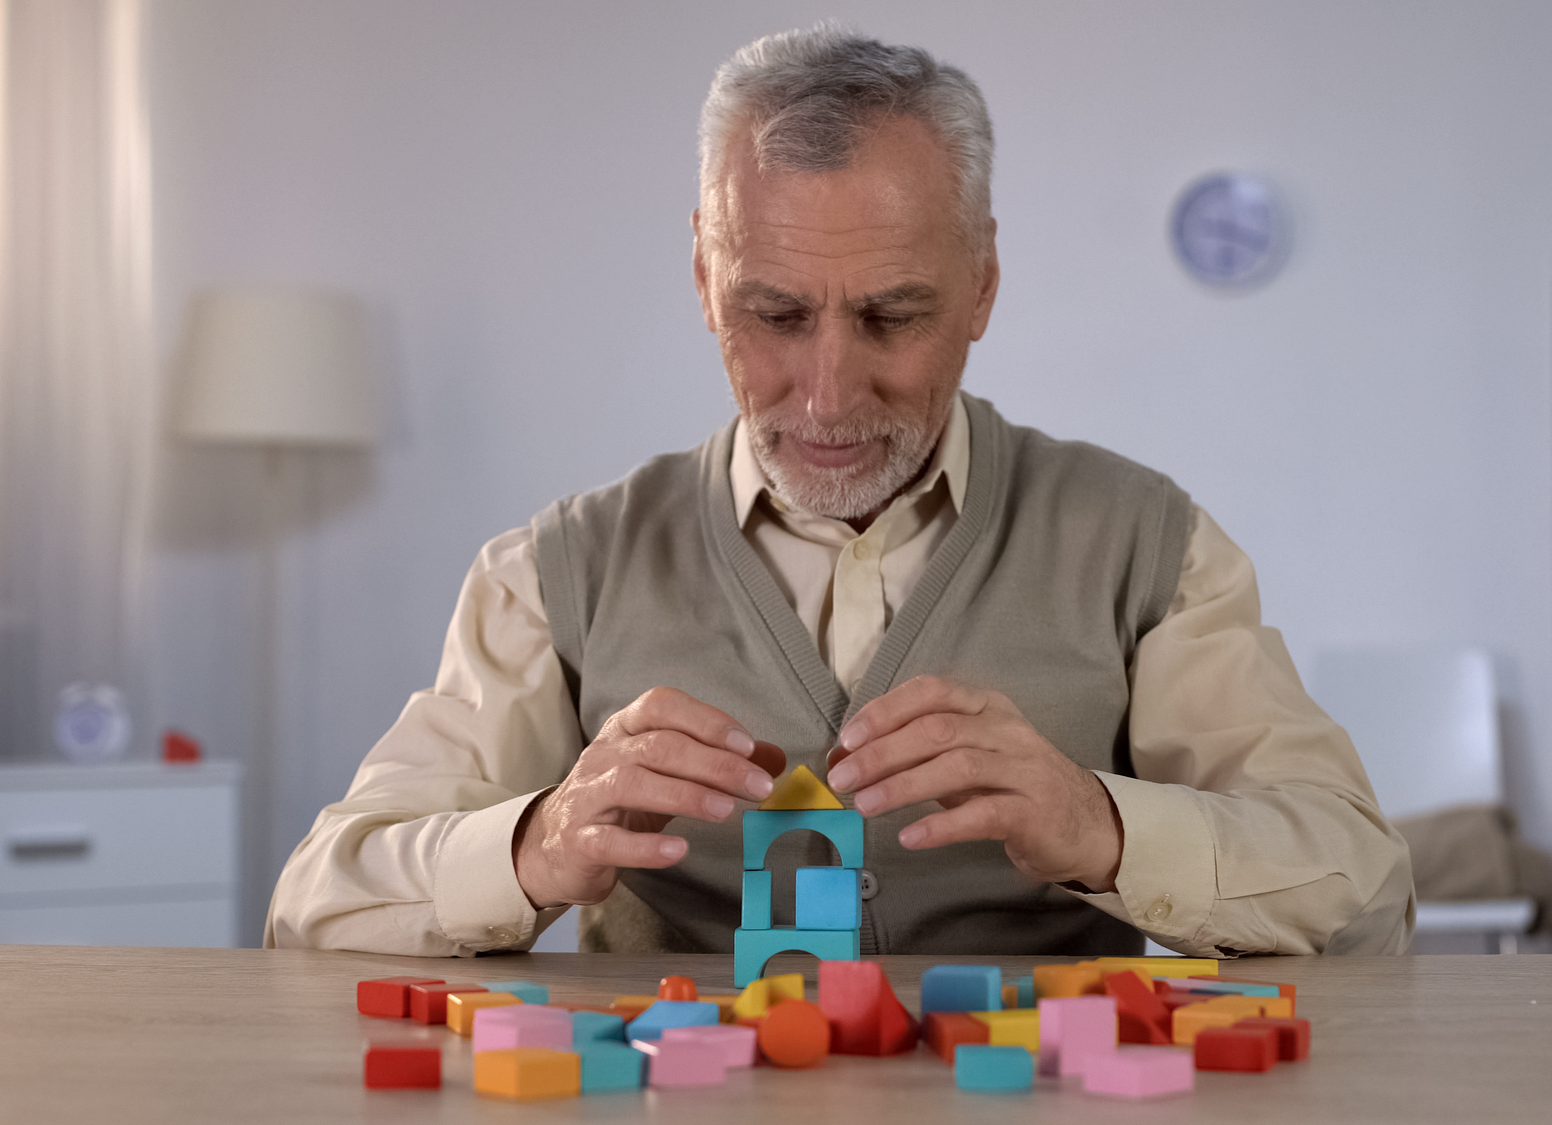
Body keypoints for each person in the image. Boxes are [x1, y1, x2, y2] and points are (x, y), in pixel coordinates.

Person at [267, 27, 1412, 959]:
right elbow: (314, 904)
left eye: (892, 316)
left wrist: (1099, 826)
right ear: (705, 282)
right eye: (773, 314)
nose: (825, 394)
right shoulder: (553, 572)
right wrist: (532, 847)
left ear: (982, 286)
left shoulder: (1146, 549)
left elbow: (1363, 892)